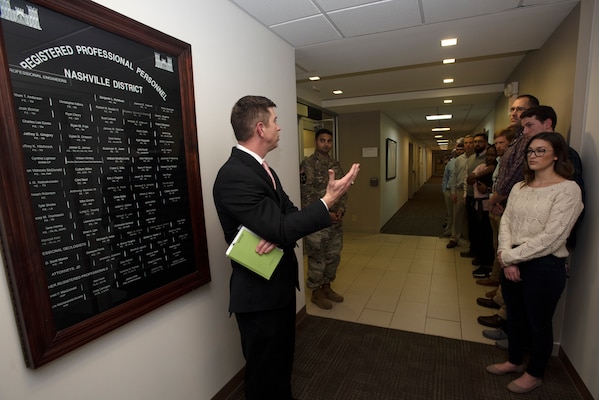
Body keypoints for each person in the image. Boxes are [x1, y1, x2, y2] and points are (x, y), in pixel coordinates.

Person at [213, 95, 360, 400]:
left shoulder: (264, 169)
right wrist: (326, 201)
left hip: (277, 287)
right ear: (260, 128)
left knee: (281, 366)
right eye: (275, 121)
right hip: (259, 296)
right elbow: (283, 225)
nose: (280, 127)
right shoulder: (234, 176)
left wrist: (279, 231)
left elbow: (290, 216)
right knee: (264, 375)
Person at [486, 132, 583, 394]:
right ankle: (515, 361)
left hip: (545, 266)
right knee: (515, 317)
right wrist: (507, 256)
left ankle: (534, 372)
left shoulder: (568, 190)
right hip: (512, 261)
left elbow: (553, 237)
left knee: (538, 322)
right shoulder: (520, 187)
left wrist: (511, 257)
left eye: (541, 150)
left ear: (556, 155)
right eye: (530, 151)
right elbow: (506, 222)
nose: (533, 156)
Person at [300, 128, 347, 309]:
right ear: (316, 141)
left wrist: (341, 210)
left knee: (333, 256)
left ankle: (327, 287)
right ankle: (316, 293)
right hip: (317, 222)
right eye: (322, 140)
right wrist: (324, 213)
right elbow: (307, 194)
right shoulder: (308, 164)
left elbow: (343, 190)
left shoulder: (335, 165)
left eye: (329, 141)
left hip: (335, 222)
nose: (326, 144)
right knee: (317, 258)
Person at [446, 135, 474, 248]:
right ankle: (454, 238)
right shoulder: (459, 160)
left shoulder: (477, 158)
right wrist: (453, 191)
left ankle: (470, 238)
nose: (468, 145)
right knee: (457, 215)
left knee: (471, 216)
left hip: (473, 191)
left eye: (470, 142)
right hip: (459, 189)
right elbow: (454, 176)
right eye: (466, 143)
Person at [440, 141, 464, 238]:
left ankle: (459, 232)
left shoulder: (467, 160)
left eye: (461, 150)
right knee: (450, 213)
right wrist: (444, 189)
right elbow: (445, 177)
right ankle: (449, 230)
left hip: (460, 190)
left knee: (459, 214)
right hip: (449, 190)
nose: (459, 151)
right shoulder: (450, 163)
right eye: (457, 150)